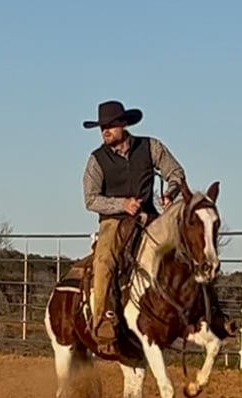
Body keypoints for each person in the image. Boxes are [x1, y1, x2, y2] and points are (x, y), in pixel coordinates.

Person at [82, 100, 186, 354]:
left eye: (110, 125)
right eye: (102, 126)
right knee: (104, 259)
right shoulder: (96, 160)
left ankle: (194, 312)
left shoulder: (151, 147)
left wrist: (171, 192)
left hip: (149, 217)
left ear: (123, 125)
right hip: (113, 222)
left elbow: (176, 173)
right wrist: (121, 204)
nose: (105, 130)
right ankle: (102, 321)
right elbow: (91, 199)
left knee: (184, 249)